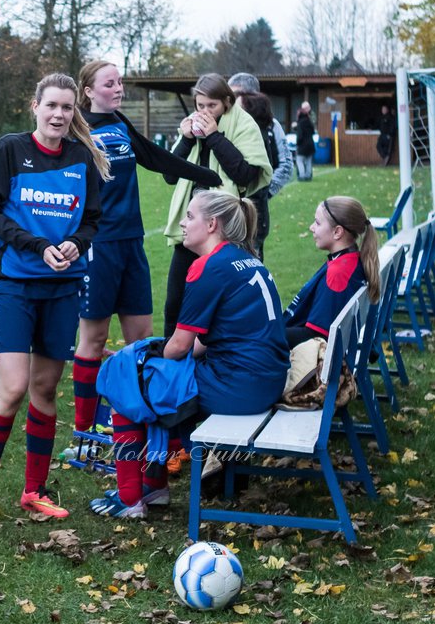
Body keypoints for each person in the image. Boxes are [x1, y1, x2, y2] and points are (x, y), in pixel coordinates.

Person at [0, 73, 109, 527]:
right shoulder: (11, 149)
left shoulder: (82, 158)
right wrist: (34, 244)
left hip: (64, 286)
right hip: (14, 284)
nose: (60, 115)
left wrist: (74, 244)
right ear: (35, 106)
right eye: (52, 106)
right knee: (12, 388)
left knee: (45, 389)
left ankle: (34, 490)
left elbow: (91, 220)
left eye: (67, 108)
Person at [91, 191, 289, 518]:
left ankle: (129, 498)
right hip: (264, 381)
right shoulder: (245, 258)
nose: (182, 223)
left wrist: (138, 360)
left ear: (211, 224)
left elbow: (180, 347)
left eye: (190, 216)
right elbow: (207, 342)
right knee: (147, 380)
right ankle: (153, 487)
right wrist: (146, 356)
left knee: (126, 386)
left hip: (239, 388)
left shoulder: (208, 267)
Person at [71, 61, 220, 434]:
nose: (118, 88)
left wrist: (204, 175)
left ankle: (144, 424)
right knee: (94, 340)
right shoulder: (76, 130)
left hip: (131, 243)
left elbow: (153, 157)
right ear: (88, 91)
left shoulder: (120, 121)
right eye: (109, 83)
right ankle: (84, 430)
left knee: (142, 338)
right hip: (97, 245)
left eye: (120, 81)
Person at [161, 73, 273, 337]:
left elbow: (245, 175)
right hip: (193, 225)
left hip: (224, 226)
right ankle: (170, 362)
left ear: (227, 101)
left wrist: (214, 136)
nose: (205, 111)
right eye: (200, 106)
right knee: (175, 301)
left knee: (223, 301)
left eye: (212, 105)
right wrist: (187, 138)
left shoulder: (244, 124)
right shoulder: (189, 126)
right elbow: (169, 174)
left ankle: (214, 356)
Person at [284, 196, 381, 349]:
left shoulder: (338, 274)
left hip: (306, 358)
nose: (311, 227)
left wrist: (270, 334)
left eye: (317, 222)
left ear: (337, 232)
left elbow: (316, 338)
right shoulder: (351, 259)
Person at [230, 74, 294, 259]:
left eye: (233, 93)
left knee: (251, 266)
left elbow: (286, 164)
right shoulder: (224, 121)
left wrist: (264, 191)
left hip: (254, 215)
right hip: (224, 212)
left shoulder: (270, 125)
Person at [295, 101, 316, 181]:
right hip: (311, 144)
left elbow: (300, 136)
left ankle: (302, 176)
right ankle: (308, 176)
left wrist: (297, 143)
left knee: (299, 160)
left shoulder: (300, 123)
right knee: (308, 161)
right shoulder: (310, 122)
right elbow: (313, 132)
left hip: (302, 145)